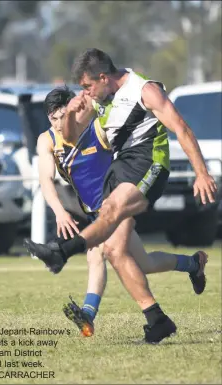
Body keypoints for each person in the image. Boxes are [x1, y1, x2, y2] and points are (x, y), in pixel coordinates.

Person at [25, 85, 208, 342]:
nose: (58, 123)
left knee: (98, 253)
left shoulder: (97, 127)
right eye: (53, 118)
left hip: (119, 203)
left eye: (63, 116)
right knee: (144, 263)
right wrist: (58, 212)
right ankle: (192, 264)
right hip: (94, 212)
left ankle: (88, 313)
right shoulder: (47, 140)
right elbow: (45, 179)